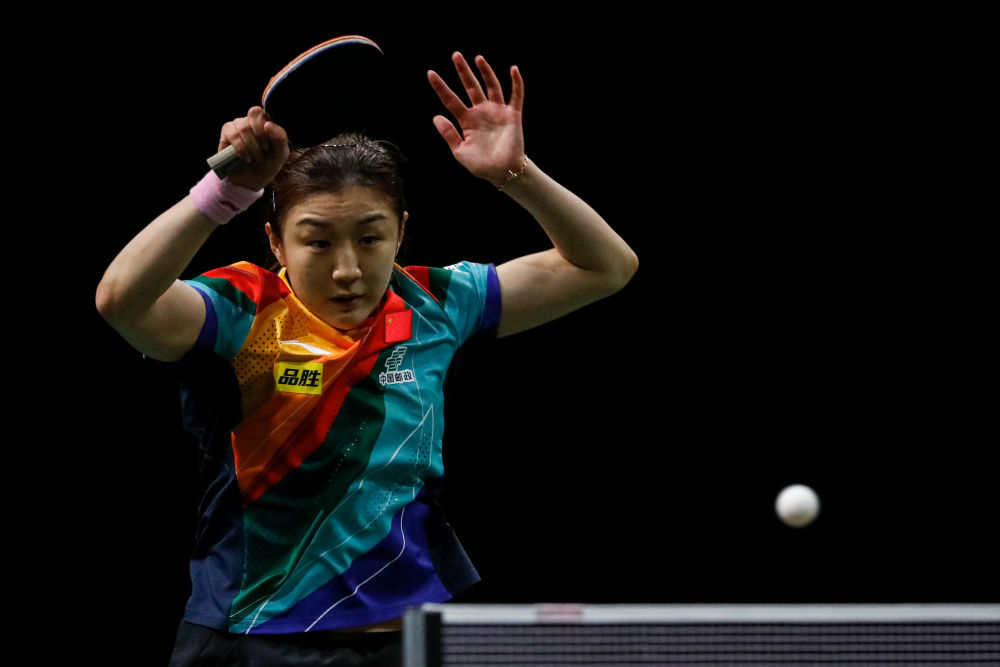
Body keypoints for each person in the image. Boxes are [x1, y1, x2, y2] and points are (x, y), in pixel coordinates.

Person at [96, 51, 638, 666]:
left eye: (371, 238)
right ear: (276, 241)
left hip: (403, 634)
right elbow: (122, 300)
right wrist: (225, 191)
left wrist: (515, 175)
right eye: (318, 242)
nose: (347, 269)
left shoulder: (436, 302)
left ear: (400, 232)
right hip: (251, 634)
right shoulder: (242, 310)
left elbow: (607, 267)